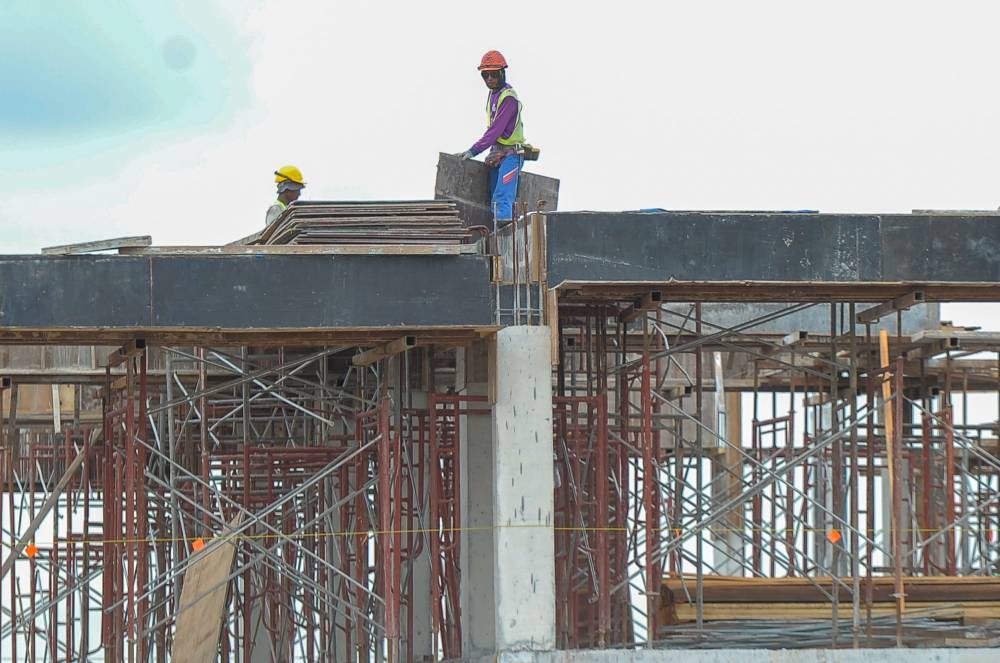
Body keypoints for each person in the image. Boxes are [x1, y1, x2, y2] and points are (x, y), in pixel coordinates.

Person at [455, 50, 526, 222]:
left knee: (503, 197)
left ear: (502, 72)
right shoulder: (493, 94)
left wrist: (473, 151)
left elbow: (495, 131)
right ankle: (496, 236)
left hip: (511, 155)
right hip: (497, 153)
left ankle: (505, 239)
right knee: (493, 201)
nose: (489, 79)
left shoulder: (509, 98)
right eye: (485, 75)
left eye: (493, 74)